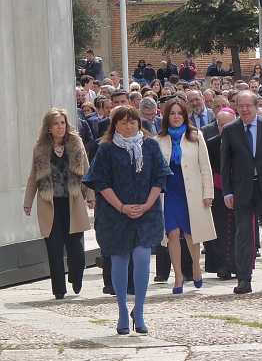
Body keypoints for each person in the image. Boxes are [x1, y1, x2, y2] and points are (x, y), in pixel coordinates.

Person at [83, 106, 171, 335]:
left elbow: (161, 177)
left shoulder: (150, 145)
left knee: (142, 256)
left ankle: (139, 310)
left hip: (146, 211)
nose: (129, 126)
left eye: (133, 122)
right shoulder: (106, 149)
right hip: (114, 213)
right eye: (123, 122)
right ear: (115, 125)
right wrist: (122, 207)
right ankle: (122, 310)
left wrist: (147, 205)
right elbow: (99, 182)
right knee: (119, 258)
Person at [220, 91, 262, 294]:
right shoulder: (231, 130)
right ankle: (244, 279)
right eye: (240, 106)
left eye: (248, 105)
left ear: (257, 106)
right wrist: (227, 192)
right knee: (243, 235)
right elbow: (226, 164)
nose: (244, 109)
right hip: (242, 189)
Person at [24, 109, 93, 299]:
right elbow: (33, 177)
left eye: (62, 123)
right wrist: (27, 203)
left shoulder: (76, 144)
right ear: (48, 127)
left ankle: (76, 276)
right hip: (49, 203)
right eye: (56, 123)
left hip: (73, 202)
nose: (60, 127)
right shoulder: (40, 148)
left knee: (76, 250)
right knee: (54, 248)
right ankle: (59, 289)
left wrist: (92, 196)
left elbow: (88, 172)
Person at [157, 98, 216, 293]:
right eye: (172, 113)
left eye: (179, 113)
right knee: (172, 234)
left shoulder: (196, 136)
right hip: (169, 192)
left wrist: (208, 193)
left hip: (191, 191)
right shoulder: (159, 139)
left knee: (192, 234)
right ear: (167, 116)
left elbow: (205, 167)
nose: (176, 117)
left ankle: (195, 267)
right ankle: (178, 276)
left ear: (185, 115)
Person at [204, 109, 238, 279]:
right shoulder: (210, 143)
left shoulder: (242, 140)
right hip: (218, 192)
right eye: (221, 125)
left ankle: (238, 264)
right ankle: (221, 265)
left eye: (228, 124)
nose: (224, 128)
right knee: (220, 230)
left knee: (238, 229)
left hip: (239, 190)